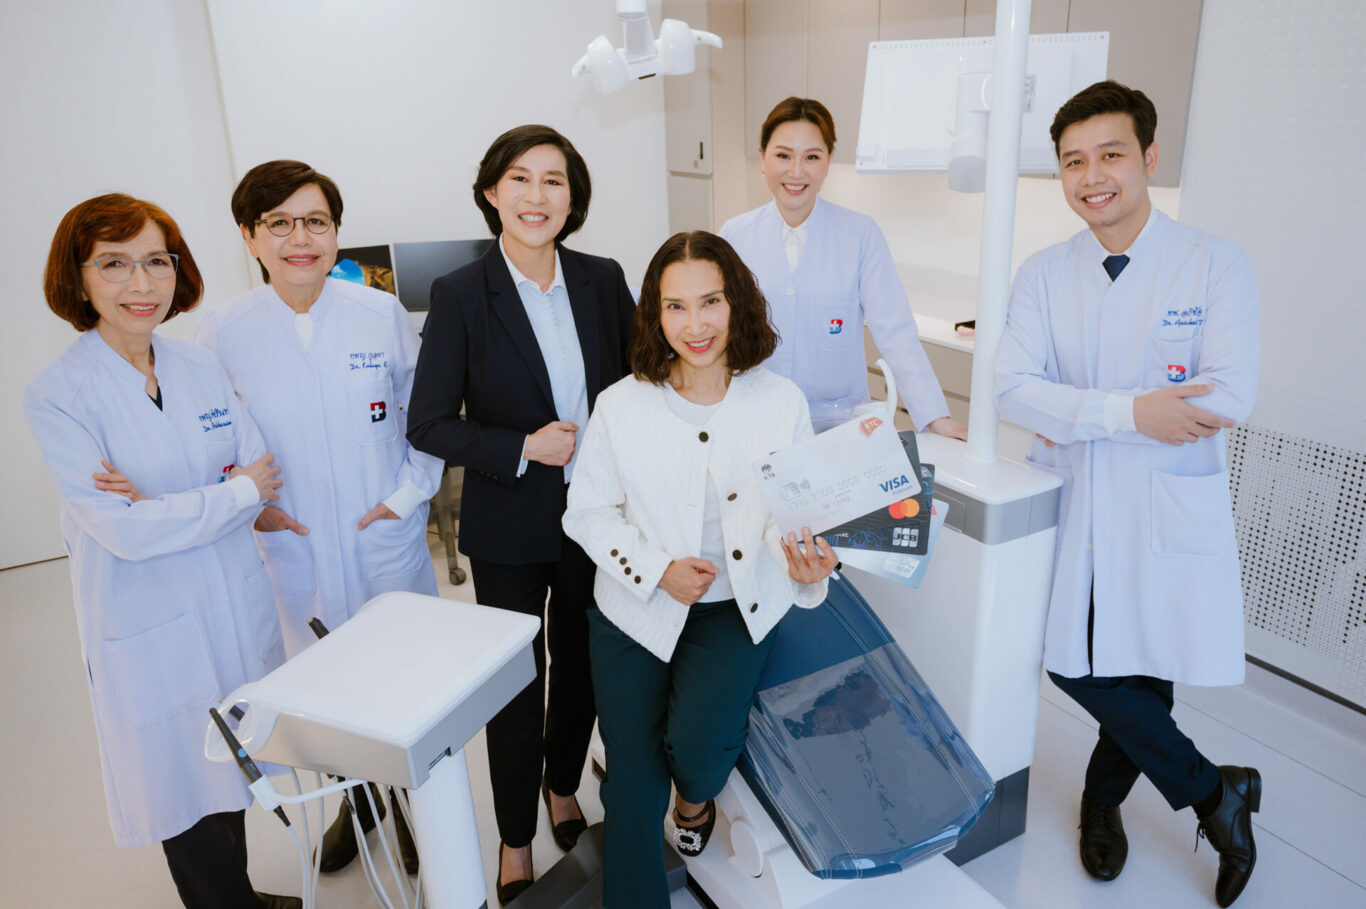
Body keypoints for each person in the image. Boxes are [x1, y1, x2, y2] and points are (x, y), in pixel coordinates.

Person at [995, 81, 1262, 907]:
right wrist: (1132, 412)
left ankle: (1101, 802)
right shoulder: (1045, 273)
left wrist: (1080, 410)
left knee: (1146, 663)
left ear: (1148, 156)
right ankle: (1215, 791)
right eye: (1073, 161)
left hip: (1163, 504)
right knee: (1071, 661)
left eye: (1109, 155)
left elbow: (1226, 395)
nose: (1091, 177)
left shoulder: (1214, 263)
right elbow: (1011, 387)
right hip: (1077, 502)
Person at [24, 194, 298, 909]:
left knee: (233, 764)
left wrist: (162, 502)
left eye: (156, 261)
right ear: (78, 278)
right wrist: (227, 494)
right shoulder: (60, 394)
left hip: (228, 599)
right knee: (184, 785)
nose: (141, 283)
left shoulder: (197, 365)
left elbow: (258, 471)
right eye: (114, 264)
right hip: (147, 618)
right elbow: (124, 530)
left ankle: (242, 895)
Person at [562, 231, 836, 909]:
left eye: (710, 301)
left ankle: (695, 802)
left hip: (734, 608)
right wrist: (657, 569)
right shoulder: (622, 404)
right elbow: (586, 513)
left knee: (699, 752)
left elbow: (800, 515)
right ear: (654, 315)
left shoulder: (781, 401)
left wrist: (809, 569)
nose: (695, 325)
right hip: (633, 610)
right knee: (632, 783)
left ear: (736, 301)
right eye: (676, 307)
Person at [406, 125, 636, 905]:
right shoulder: (461, 294)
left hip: (598, 518)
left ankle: (562, 784)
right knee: (514, 683)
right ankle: (513, 835)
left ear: (573, 197)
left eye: (554, 181)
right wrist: (522, 446)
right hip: (508, 522)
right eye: (520, 179)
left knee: (582, 667)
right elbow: (429, 422)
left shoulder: (602, 279)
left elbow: (641, 380)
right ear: (491, 193)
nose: (537, 196)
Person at [196, 160, 443, 875]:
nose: (300, 239)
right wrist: (248, 507)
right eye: (279, 224)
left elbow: (427, 415)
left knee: (402, 683)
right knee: (324, 694)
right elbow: (212, 443)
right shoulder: (225, 332)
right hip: (292, 549)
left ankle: (412, 805)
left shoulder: (378, 313)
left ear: (336, 233)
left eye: (316, 222)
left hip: (381, 537)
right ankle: (359, 804)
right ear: (250, 238)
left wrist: (407, 497)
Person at [720, 96, 967, 438]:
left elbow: (896, 333)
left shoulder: (860, 235)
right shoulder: (734, 237)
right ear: (763, 158)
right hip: (756, 423)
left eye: (812, 157)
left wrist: (933, 416)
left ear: (828, 162)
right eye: (783, 155)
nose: (796, 171)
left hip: (838, 428)